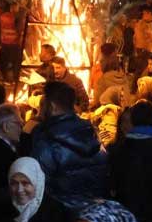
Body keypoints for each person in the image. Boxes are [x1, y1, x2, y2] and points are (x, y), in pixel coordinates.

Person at [30, 81, 109, 209]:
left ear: (52, 106)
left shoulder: (46, 137)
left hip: (58, 213)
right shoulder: (91, 132)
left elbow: (38, 180)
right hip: (91, 211)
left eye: (43, 103)